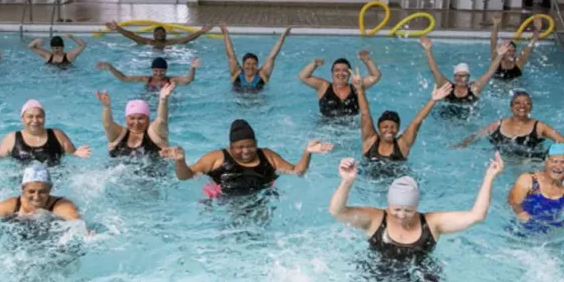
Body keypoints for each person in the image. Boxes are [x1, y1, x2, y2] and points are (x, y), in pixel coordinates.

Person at [328, 152, 504, 282]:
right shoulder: (375, 219)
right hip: (378, 274)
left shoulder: (433, 223)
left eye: (409, 210)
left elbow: (477, 216)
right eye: (396, 209)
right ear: (388, 204)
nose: (402, 215)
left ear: (417, 207)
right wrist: (347, 182)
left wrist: (490, 177)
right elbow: (337, 212)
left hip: (421, 278)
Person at [161, 119, 333, 197]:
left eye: (250, 146)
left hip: (260, 197)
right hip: (224, 201)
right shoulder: (217, 157)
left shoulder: (267, 155)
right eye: (239, 147)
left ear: (256, 143)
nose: (245, 151)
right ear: (231, 147)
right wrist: (181, 161)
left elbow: (297, 172)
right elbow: (186, 177)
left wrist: (307, 152)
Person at [455, 91, 564, 159]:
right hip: (504, 163)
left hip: (530, 163)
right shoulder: (498, 124)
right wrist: (460, 145)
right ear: (511, 106)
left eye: (528, 103)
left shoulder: (539, 127)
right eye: (518, 103)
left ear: (531, 108)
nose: (523, 106)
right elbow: (475, 137)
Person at [356, 74, 453, 162]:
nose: (389, 130)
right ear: (378, 128)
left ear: (398, 129)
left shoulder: (402, 144)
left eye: (393, 127)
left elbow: (416, 122)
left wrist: (433, 100)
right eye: (385, 127)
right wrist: (359, 90)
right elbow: (365, 114)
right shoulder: (370, 140)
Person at [0, 99, 90, 165]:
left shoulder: (57, 134)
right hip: (24, 186)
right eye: (30, 116)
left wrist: (77, 154)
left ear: (44, 118)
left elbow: (71, 154)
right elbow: (0, 158)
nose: (35, 120)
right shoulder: (12, 138)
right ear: (22, 118)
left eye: (39, 116)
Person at [508, 142, 564, 232]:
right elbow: (513, 203)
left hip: (553, 239)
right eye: (554, 161)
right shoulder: (528, 180)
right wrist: (521, 213)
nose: (558, 166)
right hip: (519, 234)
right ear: (545, 161)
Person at [419, 36, 509, 106]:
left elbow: (490, 73)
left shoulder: (474, 89)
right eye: (458, 76)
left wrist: (500, 55)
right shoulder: (447, 88)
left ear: (468, 77)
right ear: (454, 77)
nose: (461, 78)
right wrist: (428, 49)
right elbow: (434, 70)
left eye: (464, 76)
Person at [96, 83, 173, 159]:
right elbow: (107, 125)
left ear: (148, 119)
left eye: (141, 118)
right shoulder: (119, 135)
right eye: (132, 118)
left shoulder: (155, 134)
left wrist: (163, 100)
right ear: (126, 119)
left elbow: (161, 120)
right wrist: (106, 106)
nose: (136, 122)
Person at [298, 50, 382, 117]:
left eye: (345, 71)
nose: (341, 74)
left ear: (350, 73)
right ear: (332, 73)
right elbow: (303, 77)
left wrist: (367, 60)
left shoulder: (357, 86)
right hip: (326, 129)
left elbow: (376, 76)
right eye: (337, 70)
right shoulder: (323, 86)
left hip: (351, 129)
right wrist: (314, 64)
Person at [222, 24, 289, 91]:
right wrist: (225, 34)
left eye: (254, 64)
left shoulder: (262, 75)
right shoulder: (236, 73)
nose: (250, 67)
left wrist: (283, 36)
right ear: (243, 65)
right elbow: (231, 55)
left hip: (258, 101)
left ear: (257, 65)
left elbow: (272, 57)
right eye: (248, 64)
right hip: (237, 101)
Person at [490, 14, 542, 80]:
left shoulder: (519, 62)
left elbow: (530, 45)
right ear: (503, 52)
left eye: (513, 50)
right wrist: (496, 25)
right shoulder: (496, 61)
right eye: (509, 51)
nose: (512, 53)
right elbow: (493, 42)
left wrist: (538, 30)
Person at [96, 57, 201, 90]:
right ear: (152, 70)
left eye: (162, 71)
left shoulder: (171, 80)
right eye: (155, 70)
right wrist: (110, 67)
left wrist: (192, 68)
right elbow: (124, 78)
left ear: (166, 71)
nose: (158, 73)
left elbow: (188, 80)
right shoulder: (146, 79)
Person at [105, 21, 213, 50]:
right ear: (153, 35)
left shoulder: (170, 42)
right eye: (157, 32)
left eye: (162, 32)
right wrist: (118, 28)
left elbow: (187, 39)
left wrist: (201, 31)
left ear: (166, 34)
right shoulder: (148, 42)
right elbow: (132, 36)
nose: (160, 34)